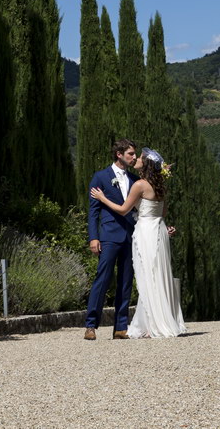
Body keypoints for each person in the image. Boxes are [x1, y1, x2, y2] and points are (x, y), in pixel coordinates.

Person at [90, 147, 186, 338]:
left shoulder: (139, 184)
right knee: (156, 274)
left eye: (139, 157)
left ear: (146, 165)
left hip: (143, 233)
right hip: (155, 231)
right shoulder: (160, 186)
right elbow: (161, 214)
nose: (136, 159)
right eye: (133, 155)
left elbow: (124, 209)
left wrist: (103, 198)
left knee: (143, 277)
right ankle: (157, 320)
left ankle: (141, 325)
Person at [84, 139, 138, 340]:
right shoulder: (100, 177)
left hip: (130, 236)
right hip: (108, 237)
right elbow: (93, 213)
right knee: (103, 279)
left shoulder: (134, 179)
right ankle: (91, 325)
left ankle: (120, 327)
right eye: (131, 154)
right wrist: (93, 237)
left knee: (126, 282)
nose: (134, 157)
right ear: (119, 154)